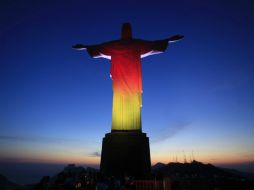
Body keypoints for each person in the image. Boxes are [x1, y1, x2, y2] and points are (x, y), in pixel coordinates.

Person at [73, 23, 183, 131]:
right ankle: (119, 128)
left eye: (128, 29)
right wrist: (85, 47)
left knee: (131, 101)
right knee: (120, 101)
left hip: (132, 81)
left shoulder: (135, 44)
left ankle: (131, 128)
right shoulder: (117, 45)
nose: (126, 31)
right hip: (121, 81)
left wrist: (168, 40)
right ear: (122, 32)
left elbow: (153, 45)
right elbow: (99, 48)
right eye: (125, 29)